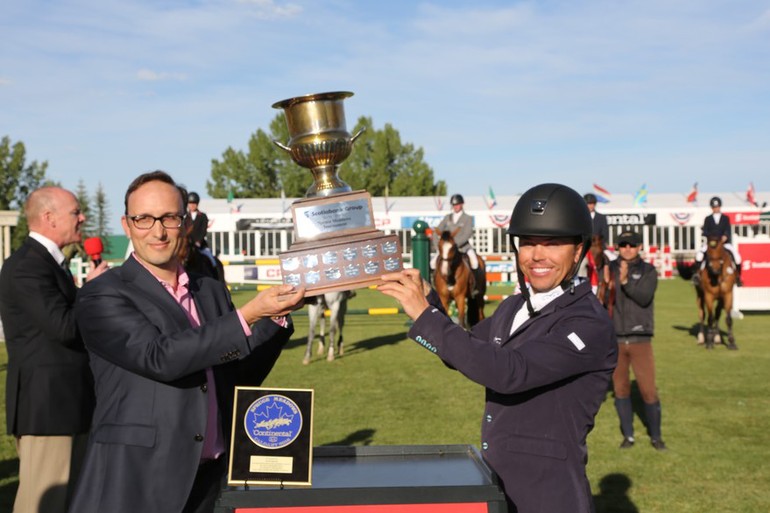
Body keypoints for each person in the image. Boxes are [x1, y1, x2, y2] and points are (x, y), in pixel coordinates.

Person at [69, 171, 305, 513]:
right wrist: (249, 314)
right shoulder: (102, 293)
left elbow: (235, 377)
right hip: (139, 481)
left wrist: (276, 317)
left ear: (186, 222)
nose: (158, 230)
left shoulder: (209, 290)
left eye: (169, 217)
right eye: (144, 218)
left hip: (210, 480)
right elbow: (158, 357)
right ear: (126, 224)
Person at [378, 183, 618, 513]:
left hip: (549, 495)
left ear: (578, 251)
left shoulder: (589, 324)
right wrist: (429, 301)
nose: (537, 255)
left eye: (552, 244)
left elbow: (509, 371)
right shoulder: (512, 307)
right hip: (498, 489)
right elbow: (468, 351)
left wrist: (424, 316)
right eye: (529, 242)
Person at [0, 186, 108, 513]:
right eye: (75, 212)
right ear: (49, 218)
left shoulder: (48, 263)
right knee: (43, 503)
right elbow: (63, 328)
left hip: (66, 405)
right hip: (48, 411)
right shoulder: (27, 266)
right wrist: (92, 292)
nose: (83, 217)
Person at [603, 230, 667, 451]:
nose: (627, 249)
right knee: (620, 389)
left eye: (631, 245)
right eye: (623, 245)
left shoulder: (648, 270)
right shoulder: (608, 269)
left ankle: (656, 436)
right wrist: (605, 286)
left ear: (639, 247)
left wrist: (624, 281)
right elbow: (602, 303)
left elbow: (644, 297)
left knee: (648, 390)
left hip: (640, 339)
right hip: (616, 340)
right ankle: (628, 436)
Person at [432, 193, 484, 294]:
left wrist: (454, 245)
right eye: (454, 205)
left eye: (457, 204)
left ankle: (475, 286)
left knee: (475, 262)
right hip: (447, 250)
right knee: (433, 263)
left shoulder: (467, 218)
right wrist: (439, 246)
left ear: (462, 205)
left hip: (463, 247)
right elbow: (436, 231)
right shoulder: (447, 218)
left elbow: (468, 233)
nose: (455, 207)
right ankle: (435, 285)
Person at [695, 196, 743, 286]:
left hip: (724, 243)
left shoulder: (725, 218)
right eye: (714, 207)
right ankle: (697, 274)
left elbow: (727, 230)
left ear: (720, 207)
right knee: (699, 255)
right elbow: (705, 231)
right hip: (711, 244)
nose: (715, 209)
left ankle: (738, 277)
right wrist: (709, 237)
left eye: (717, 207)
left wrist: (725, 236)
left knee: (737, 257)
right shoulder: (708, 219)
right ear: (711, 207)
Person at [187, 191, 217, 267]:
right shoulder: (185, 217)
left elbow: (203, 230)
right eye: (190, 203)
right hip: (188, 245)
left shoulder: (203, 216)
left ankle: (217, 274)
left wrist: (198, 241)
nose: (192, 205)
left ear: (197, 204)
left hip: (200, 245)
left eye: (194, 203)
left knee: (212, 260)